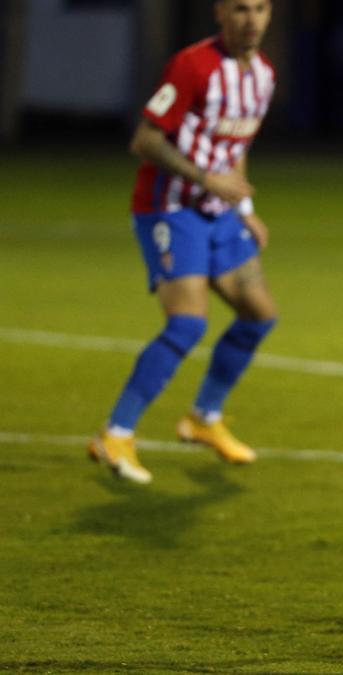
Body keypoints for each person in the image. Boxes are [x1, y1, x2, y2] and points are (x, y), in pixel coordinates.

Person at [88, 0, 278, 484]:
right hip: (169, 209)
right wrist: (204, 179)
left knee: (259, 314)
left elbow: (234, 150)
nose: (250, 18)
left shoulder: (263, 75)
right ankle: (115, 433)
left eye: (259, 8)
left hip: (219, 215)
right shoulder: (193, 65)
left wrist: (246, 210)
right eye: (240, 8)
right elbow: (145, 141)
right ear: (220, 13)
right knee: (187, 325)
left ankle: (202, 419)